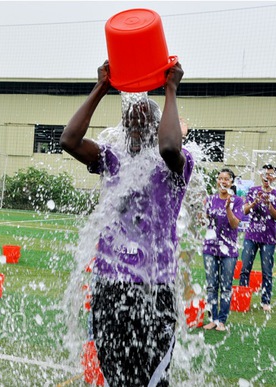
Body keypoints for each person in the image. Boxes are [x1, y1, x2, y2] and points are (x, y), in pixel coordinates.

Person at [59, 60, 193, 386]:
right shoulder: (112, 160)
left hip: (154, 289)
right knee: (117, 378)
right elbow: (69, 141)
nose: (134, 133)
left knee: (153, 381)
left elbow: (170, 146)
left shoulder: (176, 166)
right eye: (128, 126)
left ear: (156, 128)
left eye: (142, 126)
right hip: (110, 287)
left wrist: (170, 89)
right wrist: (102, 87)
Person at [238, 164, 276, 312]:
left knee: (267, 271)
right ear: (261, 176)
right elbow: (244, 211)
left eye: (270, 174)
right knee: (245, 268)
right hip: (251, 236)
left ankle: (265, 301)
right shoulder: (253, 191)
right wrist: (255, 202)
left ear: (275, 177)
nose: (267, 177)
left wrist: (268, 204)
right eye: (265, 174)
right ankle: (242, 298)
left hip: (269, 238)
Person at [202, 168, 244, 331]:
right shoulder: (210, 199)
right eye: (220, 178)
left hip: (229, 250)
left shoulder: (237, 201)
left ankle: (222, 320)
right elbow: (205, 222)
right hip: (210, 248)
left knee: (226, 286)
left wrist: (227, 209)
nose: (223, 181)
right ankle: (212, 318)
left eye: (226, 179)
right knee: (211, 285)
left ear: (231, 182)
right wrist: (201, 213)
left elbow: (235, 224)